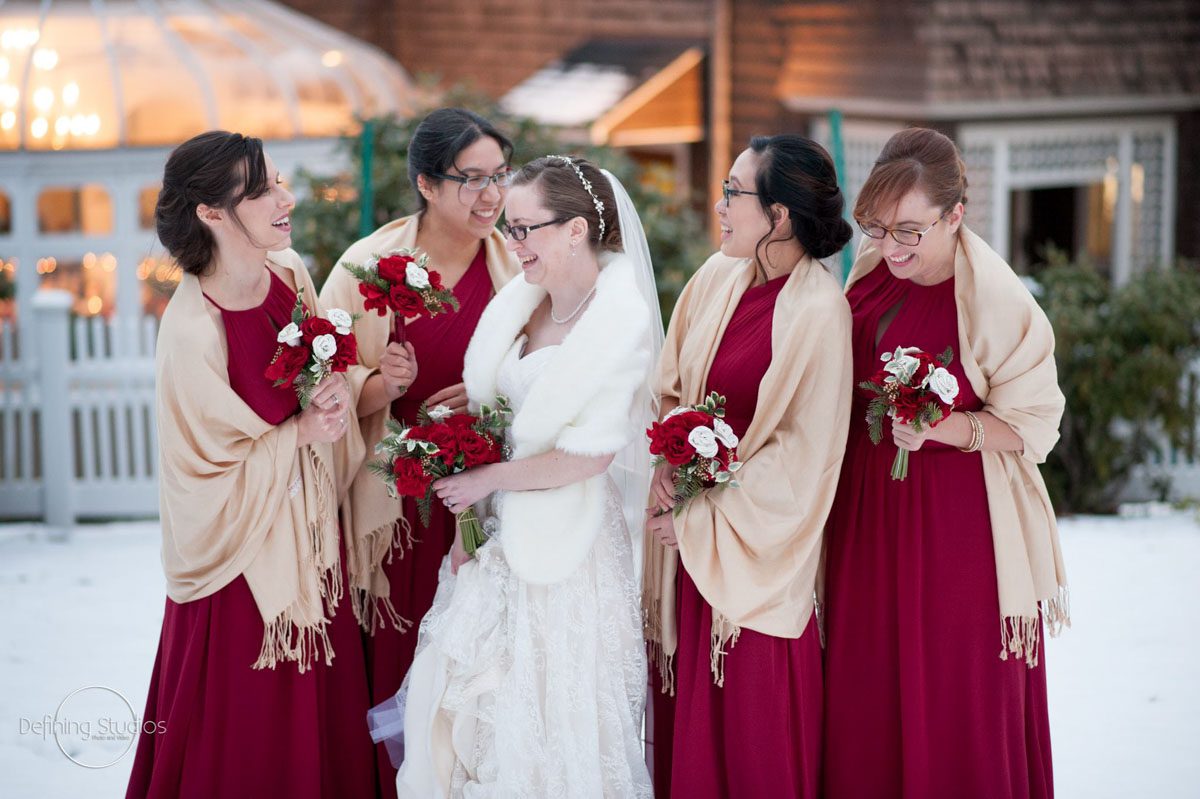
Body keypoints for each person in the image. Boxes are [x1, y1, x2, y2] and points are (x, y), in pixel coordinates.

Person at [380, 155, 660, 797]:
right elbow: (501, 416)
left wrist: (488, 480)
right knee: (470, 706)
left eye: (526, 228)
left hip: (567, 550)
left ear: (576, 230)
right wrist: (466, 479)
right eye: (510, 228)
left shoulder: (617, 325)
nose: (513, 244)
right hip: (497, 536)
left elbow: (589, 456)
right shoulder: (523, 305)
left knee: (547, 713)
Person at [126, 131, 385, 798]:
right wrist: (296, 431)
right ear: (212, 213)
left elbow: (321, 381)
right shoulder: (191, 331)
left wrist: (336, 395)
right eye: (264, 188)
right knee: (247, 738)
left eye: (277, 182)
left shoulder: (289, 275)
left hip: (309, 543)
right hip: (241, 575)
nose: (285, 198)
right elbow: (202, 476)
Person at [822, 126, 1068, 798]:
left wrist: (942, 427)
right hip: (867, 522)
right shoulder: (874, 272)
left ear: (956, 215)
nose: (890, 246)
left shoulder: (995, 298)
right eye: (876, 227)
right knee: (867, 685)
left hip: (955, 535)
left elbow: (1035, 422)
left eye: (910, 230)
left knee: (950, 694)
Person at [642, 134, 854, 798]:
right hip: (693, 556)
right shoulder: (715, 279)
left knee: (755, 750)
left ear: (781, 214)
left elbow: (804, 459)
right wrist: (665, 465)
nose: (720, 205)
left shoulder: (820, 313)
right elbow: (672, 386)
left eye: (734, 192)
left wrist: (699, 516)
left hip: (759, 568)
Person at [318, 108, 521, 796]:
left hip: (490, 498)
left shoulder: (519, 269)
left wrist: (498, 399)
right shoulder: (366, 267)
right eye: (471, 179)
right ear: (428, 184)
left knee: (478, 671)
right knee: (404, 648)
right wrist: (380, 384)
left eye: (499, 176)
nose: (491, 195)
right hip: (398, 498)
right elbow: (321, 382)